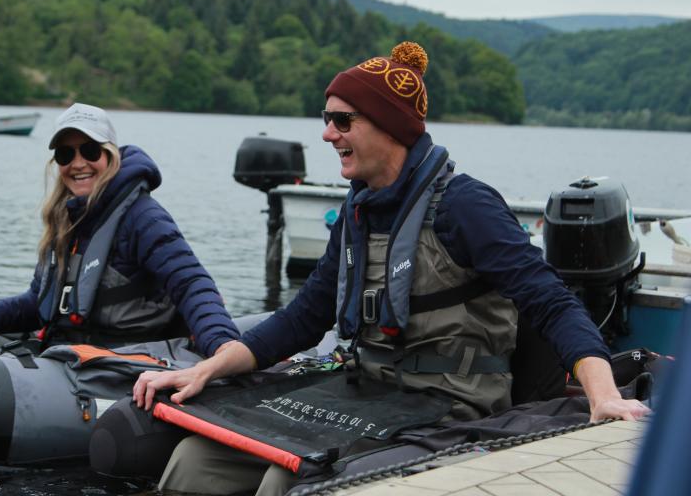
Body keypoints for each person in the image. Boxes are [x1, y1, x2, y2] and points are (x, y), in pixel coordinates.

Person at [132, 42, 651, 496]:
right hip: (366, 391)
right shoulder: (358, 210)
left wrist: (602, 396)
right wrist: (206, 368)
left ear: (390, 127)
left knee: (284, 484)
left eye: (342, 121)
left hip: (450, 402)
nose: (327, 134)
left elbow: (551, 300)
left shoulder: (465, 206)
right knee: (191, 466)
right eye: (326, 118)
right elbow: (304, 318)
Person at [0, 103, 239, 377]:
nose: (78, 163)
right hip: (63, 352)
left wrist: (223, 345)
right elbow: (40, 301)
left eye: (89, 150)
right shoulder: (65, 218)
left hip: (116, 360)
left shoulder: (145, 218)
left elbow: (191, 284)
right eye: (66, 154)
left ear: (110, 155)